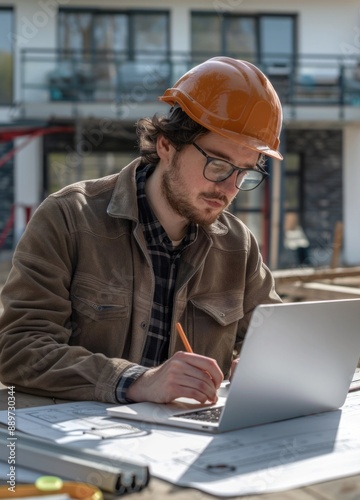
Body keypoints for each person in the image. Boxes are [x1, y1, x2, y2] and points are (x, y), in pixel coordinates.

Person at [0, 57, 283, 405]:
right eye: (218, 164)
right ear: (166, 144)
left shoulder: (239, 247)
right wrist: (135, 381)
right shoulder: (68, 218)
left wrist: (262, 367)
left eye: (244, 173)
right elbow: (18, 350)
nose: (228, 188)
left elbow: (276, 341)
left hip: (188, 446)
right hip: (82, 444)